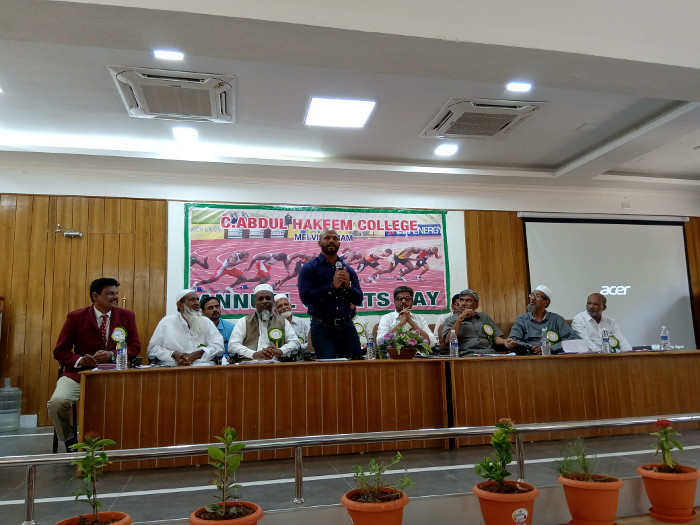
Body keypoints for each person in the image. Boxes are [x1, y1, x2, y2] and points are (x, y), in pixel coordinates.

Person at [48, 277, 140, 451]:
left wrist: (112, 355)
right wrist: (80, 360)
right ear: (95, 296)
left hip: (115, 375)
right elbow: (60, 351)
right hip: (79, 375)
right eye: (110, 293)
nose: (115, 297)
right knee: (57, 403)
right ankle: (70, 441)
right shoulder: (76, 317)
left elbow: (135, 347)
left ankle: (124, 441)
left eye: (116, 293)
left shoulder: (127, 316)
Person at [298, 229, 364, 359]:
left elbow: (358, 300)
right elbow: (305, 298)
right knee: (328, 369)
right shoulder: (309, 268)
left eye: (335, 238)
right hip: (322, 328)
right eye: (327, 238)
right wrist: (332, 287)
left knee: (355, 367)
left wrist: (348, 286)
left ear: (339, 243)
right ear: (319, 243)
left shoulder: (348, 270)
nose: (331, 241)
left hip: (347, 327)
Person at [147, 290, 223, 366]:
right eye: (192, 300)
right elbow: (153, 349)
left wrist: (199, 353)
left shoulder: (206, 322)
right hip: (173, 366)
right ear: (180, 305)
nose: (197, 303)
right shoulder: (166, 322)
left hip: (202, 366)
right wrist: (173, 354)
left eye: (197, 300)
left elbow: (219, 346)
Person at [228, 284, 300, 360]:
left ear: (273, 302)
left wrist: (281, 351)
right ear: (254, 303)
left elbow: (295, 342)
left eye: (268, 298)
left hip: (277, 363)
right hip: (250, 363)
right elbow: (233, 345)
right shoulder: (244, 321)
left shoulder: (282, 321)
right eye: (260, 299)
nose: (265, 301)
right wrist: (254, 354)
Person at [508, 285, 579, 354]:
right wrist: (530, 347)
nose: (532, 298)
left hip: (551, 355)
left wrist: (551, 348)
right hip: (528, 354)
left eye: (537, 296)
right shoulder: (522, 319)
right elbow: (513, 340)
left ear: (546, 302)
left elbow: (572, 339)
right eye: (532, 295)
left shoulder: (556, 319)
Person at [441, 289, 515, 355]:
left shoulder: (484, 317)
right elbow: (448, 341)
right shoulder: (451, 319)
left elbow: (495, 337)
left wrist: (504, 341)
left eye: (468, 300)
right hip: (467, 355)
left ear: (476, 305)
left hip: (489, 353)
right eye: (461, 300)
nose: (463, 303)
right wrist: (460, 319)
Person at [274, 293, 310, 359]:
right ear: (275, 311)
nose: (284, 307)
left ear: (290, 306)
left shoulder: (302, 322)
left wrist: (297, 346)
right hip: (279, 362)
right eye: (279, 306)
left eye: (286, 304)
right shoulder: (273, 326)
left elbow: (310, 344)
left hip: (301, 361)